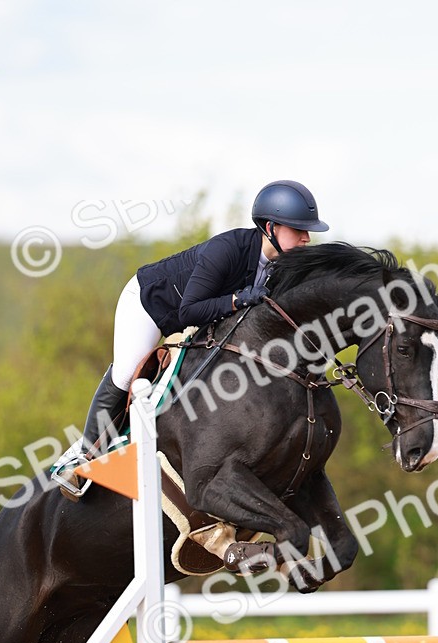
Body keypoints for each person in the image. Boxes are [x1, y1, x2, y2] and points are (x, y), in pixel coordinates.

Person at [53, 179, 329, 499]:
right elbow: (188, 312)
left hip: (199, 320)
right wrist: (237, 300)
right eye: (299, 230)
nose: (307, 237)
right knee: (129, 373)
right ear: (270, 227)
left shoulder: (280, 266)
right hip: (149, 305)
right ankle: (83, 454)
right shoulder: (228, 250)